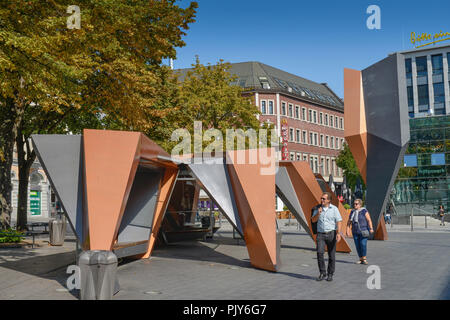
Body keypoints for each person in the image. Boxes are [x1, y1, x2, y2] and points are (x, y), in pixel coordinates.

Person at [311, 192, 343, 282]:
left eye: (324, 199)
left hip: (331, 233)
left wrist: (338, 233)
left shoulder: (334, 209)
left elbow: (339, 221)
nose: (321, 200)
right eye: (321, 198)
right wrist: (318, 213)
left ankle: (330, 274)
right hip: (320, 234)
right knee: (319, 253)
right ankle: (322, 273)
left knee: (331, 255)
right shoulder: (317, 208)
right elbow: (313, 220)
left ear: (329, 200)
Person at [347, 199, 374, 265]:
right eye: (354, 204)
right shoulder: (352, 211)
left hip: (363, 231)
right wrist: (347, 230)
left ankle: (364, 258)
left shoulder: (364, 211)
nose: (355, 205)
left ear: (360, 205)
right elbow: (349, 222)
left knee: (363, 244)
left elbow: (369, 220)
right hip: (355, 231)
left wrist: (371, 228)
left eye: (356, 204)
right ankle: (360, 258)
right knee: (357, 245)